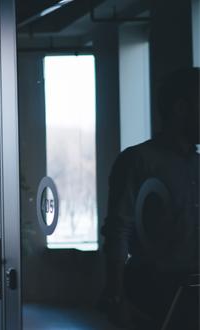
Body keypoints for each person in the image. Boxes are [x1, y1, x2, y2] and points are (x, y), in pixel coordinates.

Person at [101, 67, 199, 329]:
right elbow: (118, 229)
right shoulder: (137, 161)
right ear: (181, 109)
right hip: (154, 289)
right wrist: (116, 295)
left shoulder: (197, 165)